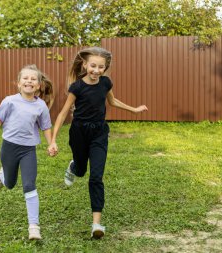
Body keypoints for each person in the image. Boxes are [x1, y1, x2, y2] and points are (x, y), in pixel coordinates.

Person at [48, 47, 148, 239]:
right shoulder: (76, 87)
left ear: (105, 68)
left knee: (96, 176)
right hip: (78, 132)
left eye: (101, 67)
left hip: (99, 133)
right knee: (81, 170)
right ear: (85, 65)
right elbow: (62, 115)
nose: (96, 70)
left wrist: (134, 110)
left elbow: (113, 101)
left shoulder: (105, 83)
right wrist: (53, 141)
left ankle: (96, 224)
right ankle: (74, 166)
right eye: (93, 66)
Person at [0, 64, 56, 240]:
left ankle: (34, 226)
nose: (29, 81)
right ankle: (2, 176)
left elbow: (46, 127)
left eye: (33, 79)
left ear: (39, 85)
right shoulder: (9, 101)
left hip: (28, 150)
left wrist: (51, 143)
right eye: (25, 78)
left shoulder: (41, 106)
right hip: (9, 147)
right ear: (18, 83)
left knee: (29, 185)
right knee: (10, 183)